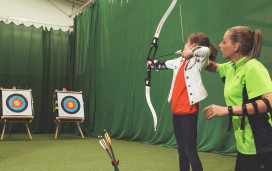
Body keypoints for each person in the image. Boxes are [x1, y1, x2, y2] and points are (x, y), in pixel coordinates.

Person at [203, 26, 272, 171]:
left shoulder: (253, 67)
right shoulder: (231, 67)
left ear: (235, 46)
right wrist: (195, 56)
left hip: (262, 146)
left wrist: (227, 110)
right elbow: (213, 67)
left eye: (223, 42)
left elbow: (269, 102)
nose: (220, 45)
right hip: (244, 147)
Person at [147, 33, 218, 171]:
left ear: (193, 46)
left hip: (188, 111)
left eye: (187, 43)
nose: (183, 46)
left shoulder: (198, 61)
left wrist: (190, 53)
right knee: (181, 149)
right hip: (176, 111)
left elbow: (206, 50)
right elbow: (164, 64)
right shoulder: (179, 61)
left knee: (190, 150)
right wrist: (152, 63)